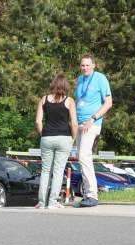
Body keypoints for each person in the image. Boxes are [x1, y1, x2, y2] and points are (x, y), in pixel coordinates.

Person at [73, 54, 113, 208]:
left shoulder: (100, 79)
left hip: (92, 123)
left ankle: (92, 195)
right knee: (81, 159)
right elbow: (78, 101)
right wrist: (74, 122)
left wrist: (92, 118)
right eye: (82, 65)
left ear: (94, 65)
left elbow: (108, 102)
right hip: (80, 124)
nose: (85, 68)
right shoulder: (80, 79)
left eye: (87, 65)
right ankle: (87, 195)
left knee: (84, 156)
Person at [35, 74, 78, 209]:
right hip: (64, 137)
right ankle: (53, 202)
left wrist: (44, 133)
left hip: (47, 137)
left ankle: (41, 203)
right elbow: (75, 123)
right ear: (65, 86)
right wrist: (73, 138)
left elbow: (37, 121)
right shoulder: (69, 100)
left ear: (53, 85)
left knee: (46, 170)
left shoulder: (44, 99)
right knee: (58, 171)